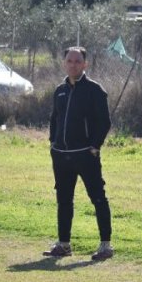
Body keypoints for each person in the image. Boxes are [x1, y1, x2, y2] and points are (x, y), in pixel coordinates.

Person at [43, 46, 115, 261]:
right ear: (64, 63)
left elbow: (105, 122)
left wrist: (94, 146)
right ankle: (63, 244)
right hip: (61, 155)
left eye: (77, 61)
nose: (73, 65)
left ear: (85, 64)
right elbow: (54, 120)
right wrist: (53, 144)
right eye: (69, 61)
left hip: (85, 155)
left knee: (98, 199)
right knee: (64, 200)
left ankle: (105, 246)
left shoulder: (94, 90)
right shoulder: (60, 90)